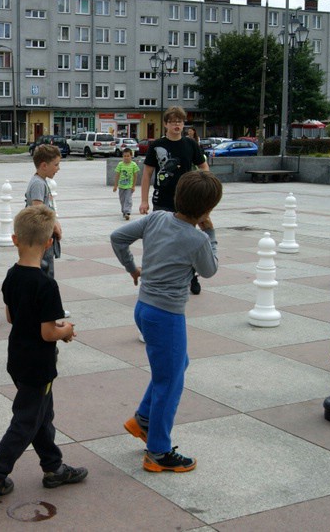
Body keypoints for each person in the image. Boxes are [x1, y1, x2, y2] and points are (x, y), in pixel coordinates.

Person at [111, 171, 222, 473]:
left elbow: (117, 237)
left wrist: (132, 268)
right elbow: (210, 270)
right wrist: (211, 234)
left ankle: (144, 420)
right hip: (167, 316)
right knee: (169, 382)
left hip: (144, 308)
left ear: (178, 196)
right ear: (207, 210)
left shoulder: (157, 218)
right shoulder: (197, 239)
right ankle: (158, 451)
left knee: (176, 366)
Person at [0, 205, 87, 499]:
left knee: (41, 414)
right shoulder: (46, 284)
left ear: (15, 239)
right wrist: (66, 330)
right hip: (39, 364)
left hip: (17, 358)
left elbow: (12, 317)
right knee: (27, 419)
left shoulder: (12, 276)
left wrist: (49, 326)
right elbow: (48, 333)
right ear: (49, 243)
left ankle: (53, 467)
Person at [139, 106, 209, 296]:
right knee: (160, 240)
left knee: (187, 240)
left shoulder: (190, 144)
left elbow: (204, 167)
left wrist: (203, 188)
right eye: (172, 122)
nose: (176, 125)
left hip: (186, 200)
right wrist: (144, 201)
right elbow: (147, 174)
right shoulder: (157, 145)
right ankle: (158, 277)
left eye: (180, 121)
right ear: (165, 124)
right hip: (162, 199)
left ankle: (191, 276)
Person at [24, 144, 63, 279]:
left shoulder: (41, 181)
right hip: (41, 237)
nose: (58, 168)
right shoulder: (38, 183)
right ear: (44, 165)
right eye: (56, 165)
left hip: (45, 235)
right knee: (45, 271)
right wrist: (54, 225)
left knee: (46, 269)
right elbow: (38, 209)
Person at [113, 147, 139, 220]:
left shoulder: (133, 165)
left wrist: (133, 186)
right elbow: (117, 175)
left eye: (128, 156)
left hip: (129, 186)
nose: (126, 158)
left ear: (131, 156)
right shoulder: (120, 164)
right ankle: (124, 211)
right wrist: (115, 186)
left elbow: (135, 176)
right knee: (122, 200)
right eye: (124, 156)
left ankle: (127, 212)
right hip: (121, 186)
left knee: (128, 199)